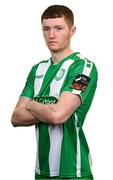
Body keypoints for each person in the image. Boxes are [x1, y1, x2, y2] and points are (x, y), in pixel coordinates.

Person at [11, 5, 98, 180]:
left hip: (74, 171)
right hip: (41, 170)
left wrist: (31, 104)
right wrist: (51, 110)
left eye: (59, 28)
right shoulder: (37, 70)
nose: (51, 35)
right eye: (46, 29)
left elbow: (58, 116)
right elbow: (16, 117)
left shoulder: (83, 67)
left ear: (72, 31)